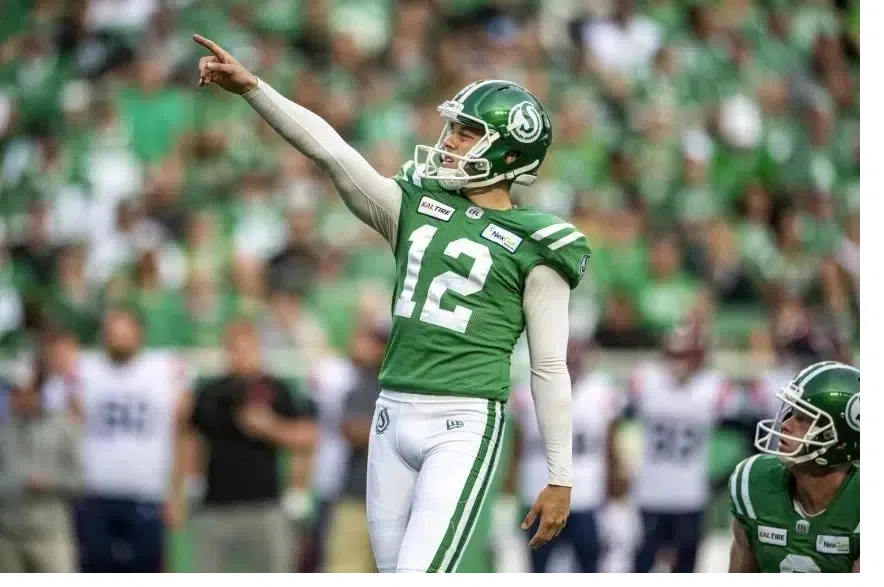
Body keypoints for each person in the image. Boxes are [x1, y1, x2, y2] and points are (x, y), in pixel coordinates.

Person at [193, 34, 591, 572]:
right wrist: (254, 89)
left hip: (464, 417)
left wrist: (560, 475)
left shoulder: (537, 243)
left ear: (509, 152)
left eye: (468, 132)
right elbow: (331, 152)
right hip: (390, 412)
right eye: (453, 128)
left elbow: (548, 366)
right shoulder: (416, 204)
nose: (450, 141)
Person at [189, 319, 317, 573]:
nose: (242, 354)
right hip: (216, 507)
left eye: (248, 347)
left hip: (265, 506)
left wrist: (270, 427)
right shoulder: (212, 392)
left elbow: (307, 436)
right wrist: (189, 483)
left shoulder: (276, 389)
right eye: (235, 347)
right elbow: (192, 438)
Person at [72, 305, 191, 572]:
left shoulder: (165, 369)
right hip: (95, 492)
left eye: (124, 332)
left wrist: (176, 493)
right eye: (112, 332)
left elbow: (182, 435)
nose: (117, 338)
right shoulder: (85, 369)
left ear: (140, 333)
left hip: (147, 494)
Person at [729, 361, 859, 573]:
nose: (785, 425)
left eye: (804, 419)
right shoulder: (753, 481)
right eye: (791, 412)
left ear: (840, 442)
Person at [629, 319, 735, 572]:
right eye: (675, 354)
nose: (680, 361)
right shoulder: (647, 381)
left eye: (686, 354)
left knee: (686, 568)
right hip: (652, 493)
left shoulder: (712, 387)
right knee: (643, 566)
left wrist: (721, 478)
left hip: (690, 495)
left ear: (699, 357)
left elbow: (744, 432)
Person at [511, 339, 625, 573]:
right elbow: (518, 447)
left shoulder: (602, 390)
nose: (573, 357)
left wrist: (615, 486)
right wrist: (509, 490)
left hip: (586, 495)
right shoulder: (528, 389)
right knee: (539, 567)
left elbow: (611, 446)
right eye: (568, 351)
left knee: (589, 566)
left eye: (578, 351)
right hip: (539, 495)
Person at [0, 380, 82, 572]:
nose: (20, 400)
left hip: (50, 533)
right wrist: (14, 483)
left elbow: (79, 481)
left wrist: (50, 482)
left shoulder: (63, 430)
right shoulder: (4, 433)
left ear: (39, 396)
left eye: (27, 394)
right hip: (8, 534)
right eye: (16, 394)